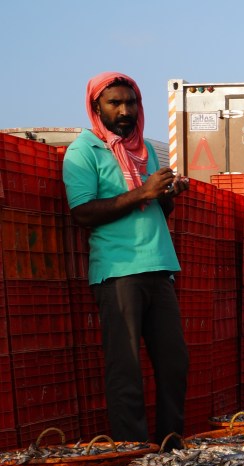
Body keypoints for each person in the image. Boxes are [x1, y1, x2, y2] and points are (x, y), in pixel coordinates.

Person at [63, 72, 189, 443]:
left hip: (159, 266)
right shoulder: (84, 151)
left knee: (174, 365)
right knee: (126, 371)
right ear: (95, 107)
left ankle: (169, 447)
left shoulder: (144, 149)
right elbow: (82, 213)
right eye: (114, 103)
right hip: (118, 272)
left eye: (130, 102)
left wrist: (167, 192)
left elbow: (155, 209)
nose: (124, 110)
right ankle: (132, 455)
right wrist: (143, 191)